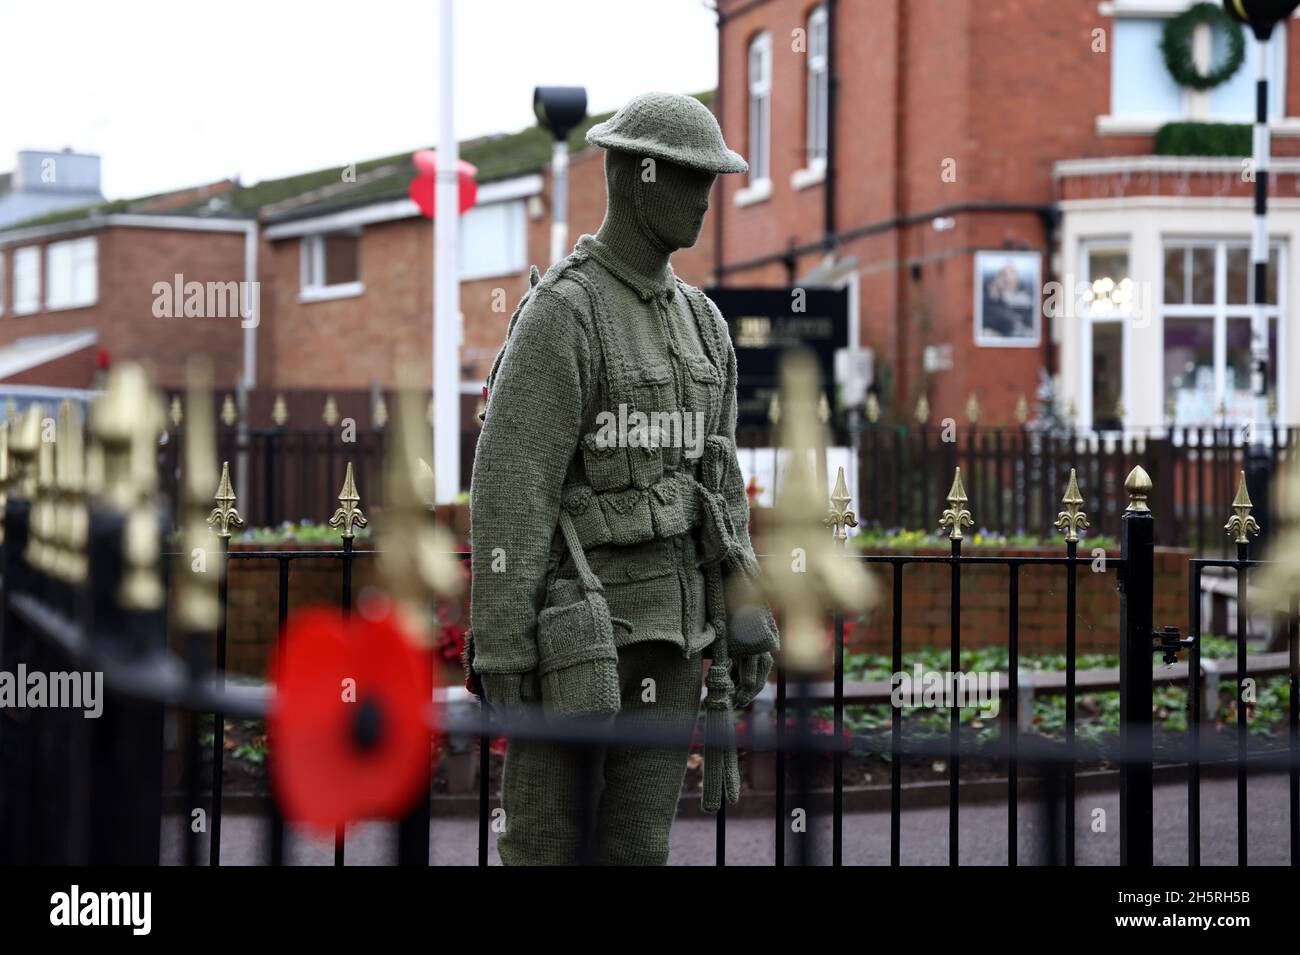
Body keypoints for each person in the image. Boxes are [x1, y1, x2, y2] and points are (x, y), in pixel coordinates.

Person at [465, 92, 779, 865]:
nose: (707, 197)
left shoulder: (704, 323)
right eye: (689, 177)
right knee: (543, 845)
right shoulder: (563, 314)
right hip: (576, 640)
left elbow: (721, 486)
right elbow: (513, 486)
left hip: (674, 640)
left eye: (713, 177)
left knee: (639, 850)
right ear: (640, 178)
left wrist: (747, 616)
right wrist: (503, 648)